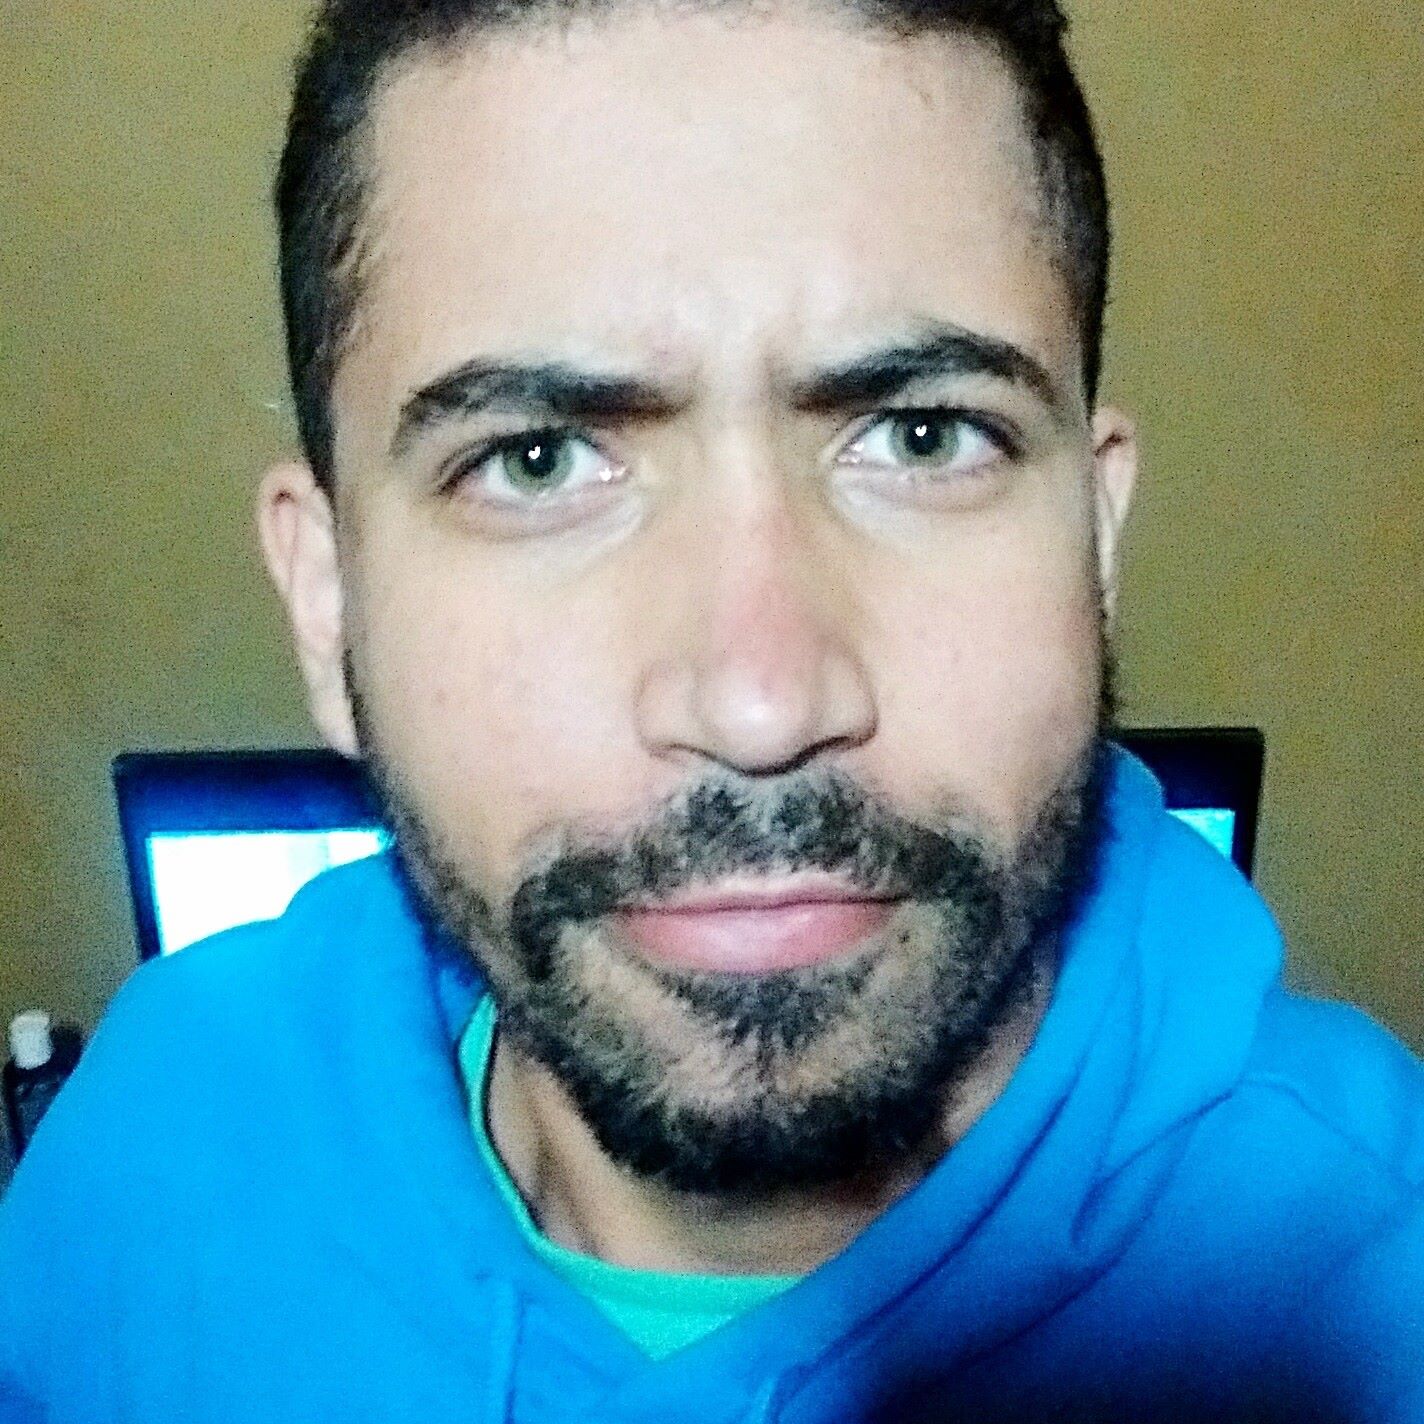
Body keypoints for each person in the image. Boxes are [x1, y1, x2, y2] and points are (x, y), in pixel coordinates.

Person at [2, 0, 1421, 1418]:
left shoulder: (1367, 1302)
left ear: (1094, 545)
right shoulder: (151, 1160)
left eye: (922, 437)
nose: (759, 705)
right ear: (328, 605)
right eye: (539, 460)